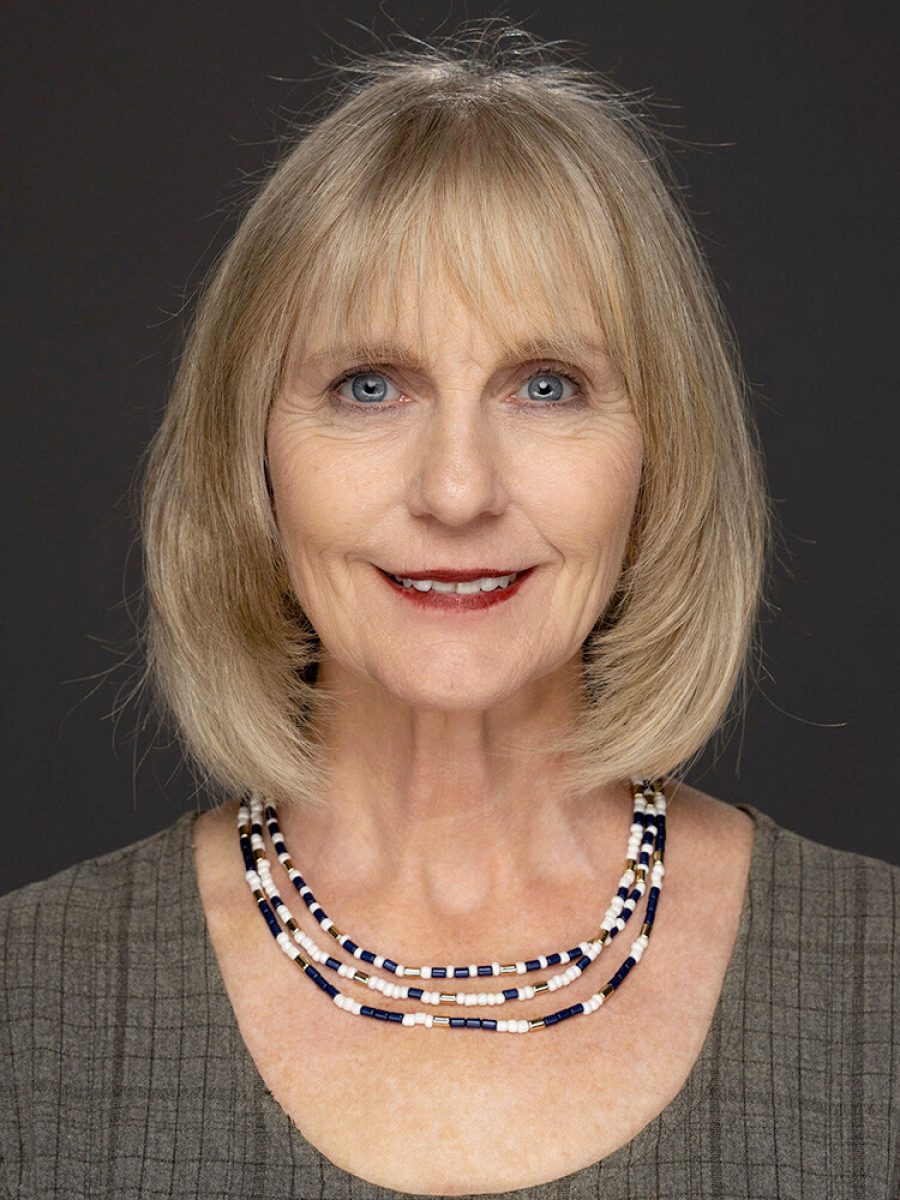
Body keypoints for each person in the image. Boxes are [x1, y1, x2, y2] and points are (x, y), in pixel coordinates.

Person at [1, 23, 897, 1200]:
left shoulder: (878, 983)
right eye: (369, 386)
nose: (459, 491)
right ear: (252, 457)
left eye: (547, 386)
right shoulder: (29, 1005)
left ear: (659, 455)